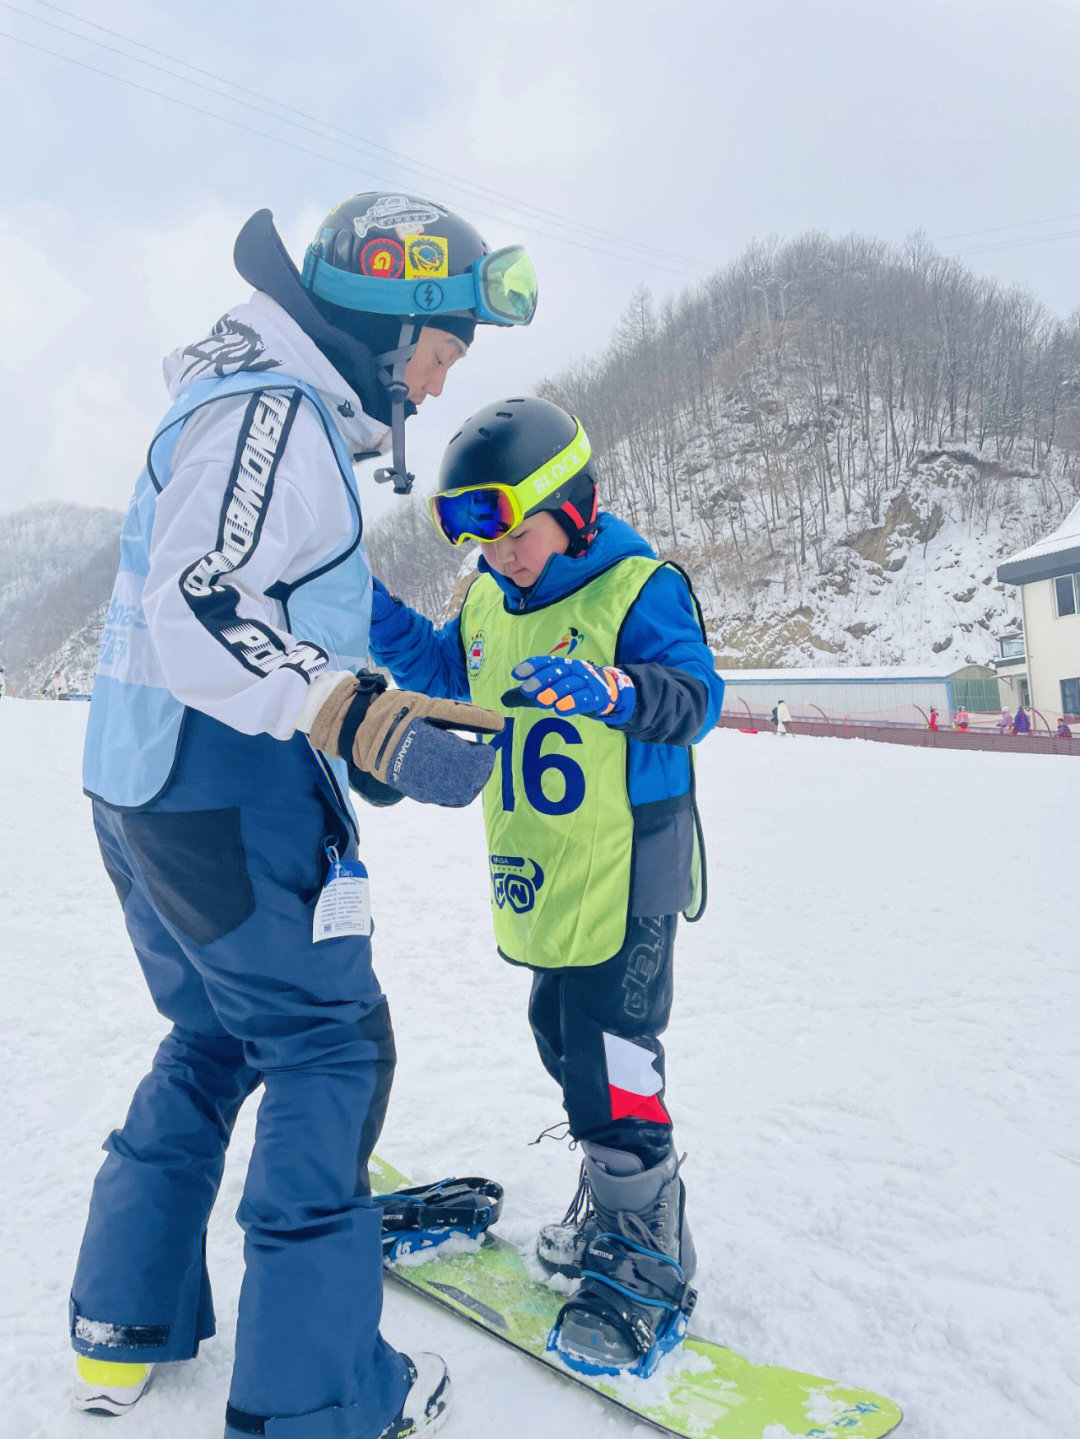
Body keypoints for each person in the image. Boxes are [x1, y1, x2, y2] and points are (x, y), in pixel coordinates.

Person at [70, 192, 536, 1439]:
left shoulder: (234, 392)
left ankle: (125, 1320)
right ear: (392, 328)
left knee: (212, 1038)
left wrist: (370, 700)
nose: (436, 388)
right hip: (223, 791)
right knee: (330, 1050)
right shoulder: (270, 409)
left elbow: (263, 606)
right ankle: (318, 1398)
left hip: (140, 782)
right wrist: (359, 721)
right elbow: (206, 600)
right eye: (441, 354)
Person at [368, 397, 725, 1379]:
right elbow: (452, 670)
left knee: (618, 1052)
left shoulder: (636, 586)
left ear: (571, 509)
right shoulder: (487, 594)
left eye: (517, 534)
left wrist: (616, 691)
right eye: (487, 542)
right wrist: (378, 616)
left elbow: (698, 695)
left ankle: (650, 1247)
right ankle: (609, 1192)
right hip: (545, 870)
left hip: (629, 866)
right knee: (565, 1042)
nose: (505, 557)